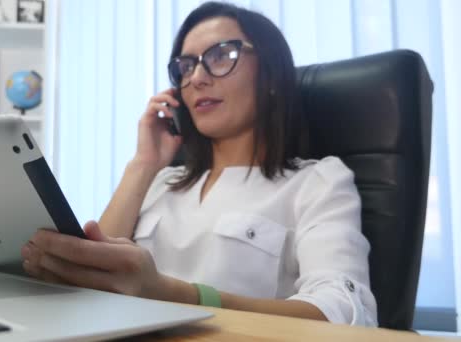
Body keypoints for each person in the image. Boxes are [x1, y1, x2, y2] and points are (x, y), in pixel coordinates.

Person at [21, 1, 377, 326]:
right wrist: (143, 164)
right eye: (186, 66)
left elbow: (345, 311)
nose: (197, 78)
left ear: (270, 75)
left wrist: (181, 297)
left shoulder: (316, 181)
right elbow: (94, 275)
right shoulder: (163, 181)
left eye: (222, 55)